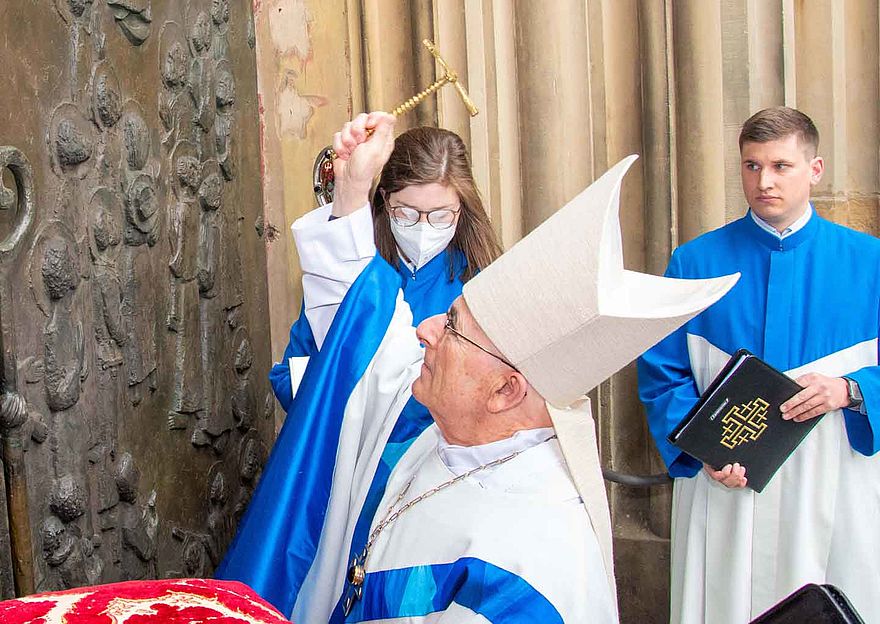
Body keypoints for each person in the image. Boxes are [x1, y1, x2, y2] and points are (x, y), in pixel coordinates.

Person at [218, 112, 736, 622]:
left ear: (507, 391)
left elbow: (375, 360)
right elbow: (369, 357)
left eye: (450, 324)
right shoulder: (456, 444)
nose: (424, 333)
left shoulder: (524, 560)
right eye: (406, 213)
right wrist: (351, 194)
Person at [637, 106, 880, 623]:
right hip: (728, 481)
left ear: (814, 169)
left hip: (833, 477)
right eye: (751, 166)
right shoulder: (694, 263)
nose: (763, 181)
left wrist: (851, 390)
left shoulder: (869, 263)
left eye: (780, 166)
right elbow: (662, 374)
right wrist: (702, 451)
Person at [268, 126, 501, 411]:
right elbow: (287, 374)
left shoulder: (484, 283)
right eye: (406, 213)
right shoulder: (354, 271)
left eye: (441, 216)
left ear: (462, 208)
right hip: (348, 449)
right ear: (385, 200)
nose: (423, 228)